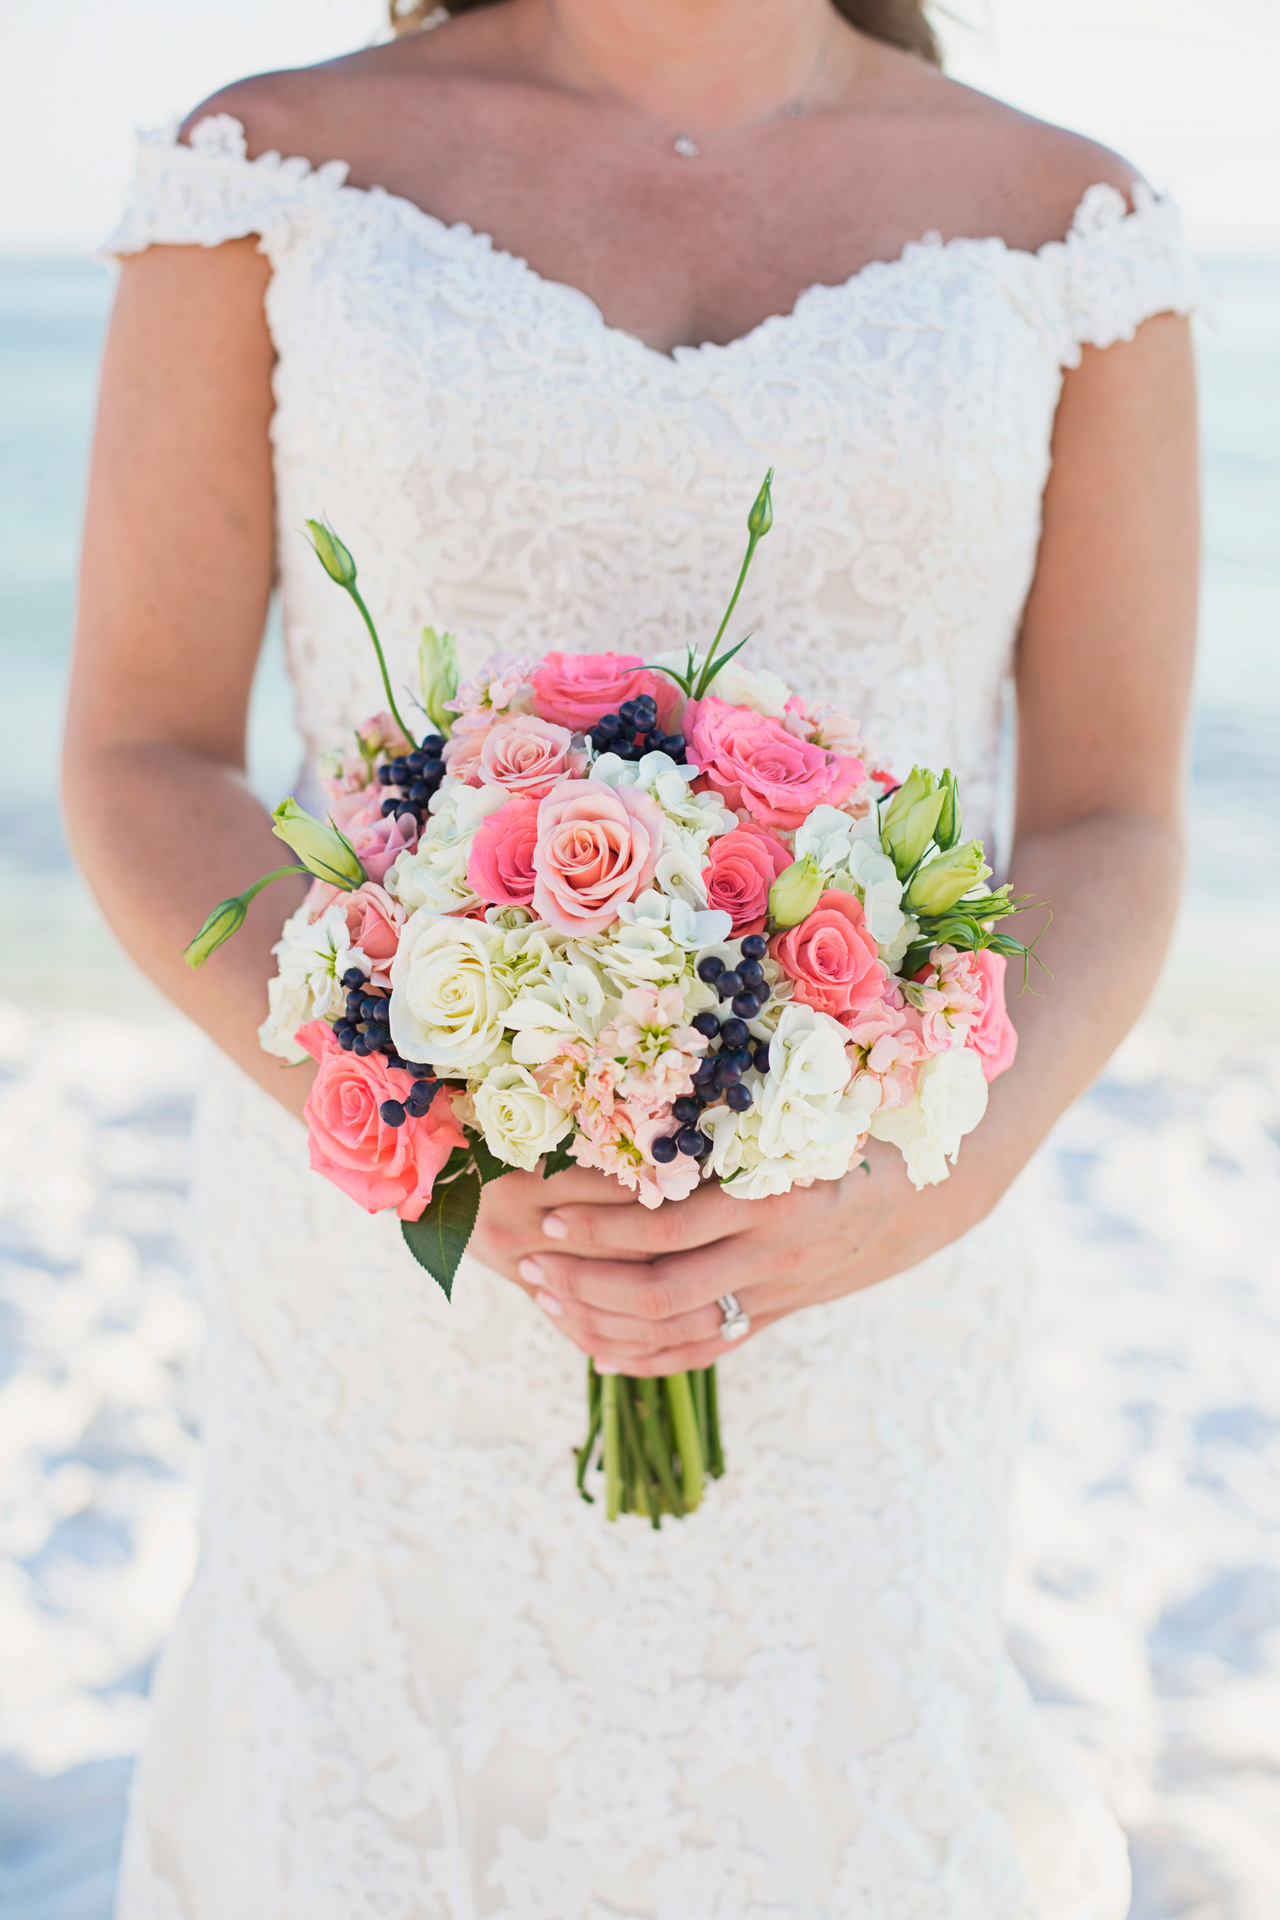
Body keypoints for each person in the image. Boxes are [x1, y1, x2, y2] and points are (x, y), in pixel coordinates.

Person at [64, 0, 1198, 1911]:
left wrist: (922, 1189)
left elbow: (1109, 818)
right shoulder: (264, 176)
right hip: (390, 1279)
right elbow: (140, 750)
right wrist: (417, 1125)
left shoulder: (1070, 231)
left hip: (872, 1271)